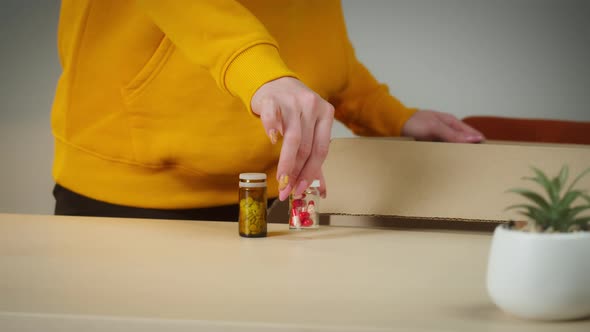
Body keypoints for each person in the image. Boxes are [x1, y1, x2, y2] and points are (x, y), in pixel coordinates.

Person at [51, 0, 484, 221]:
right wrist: (255, 69)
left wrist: (387, 113)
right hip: (129, 200)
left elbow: (311, 30)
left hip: (261, 200)